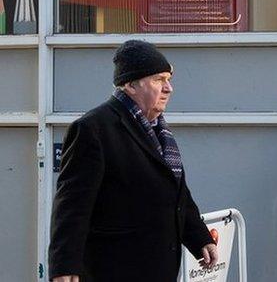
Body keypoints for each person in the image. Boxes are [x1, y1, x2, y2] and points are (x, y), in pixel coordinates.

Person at [48, 40, 217, 282]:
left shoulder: (159, 131)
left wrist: (199, 237)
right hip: (113, 268)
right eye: (159, 80)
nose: (169, 88)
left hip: (157, 268)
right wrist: (64, 266)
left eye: (168, 79)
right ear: (130, 85)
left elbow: (175, 192)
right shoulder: (93, 129)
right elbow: (72, 206)